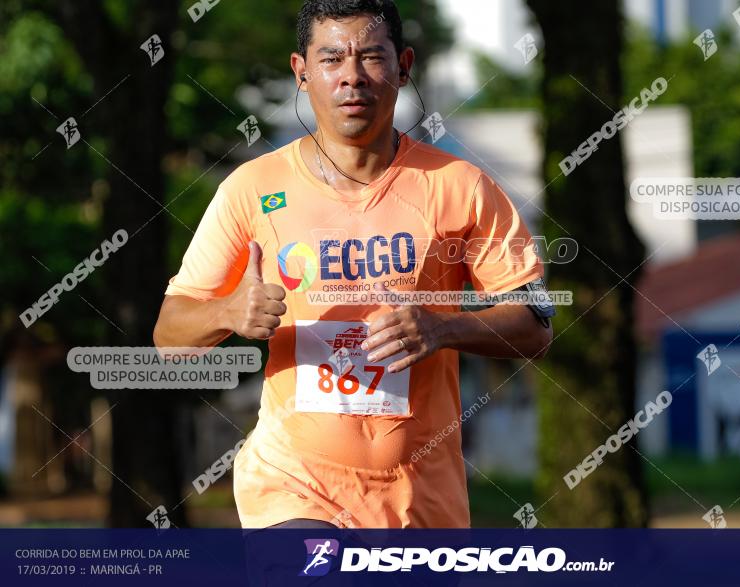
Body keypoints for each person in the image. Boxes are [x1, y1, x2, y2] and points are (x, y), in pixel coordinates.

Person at [153, 0, 553, 529]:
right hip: (294, 488)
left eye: (371, 56)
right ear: (301, 73)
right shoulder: (251, 190)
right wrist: (228, 311)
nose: (352, 77)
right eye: (332, 58)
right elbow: (168, 334)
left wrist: (441, 327)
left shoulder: (461, 187)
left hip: (421, 503)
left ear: (404, 66)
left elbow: (535, 325)